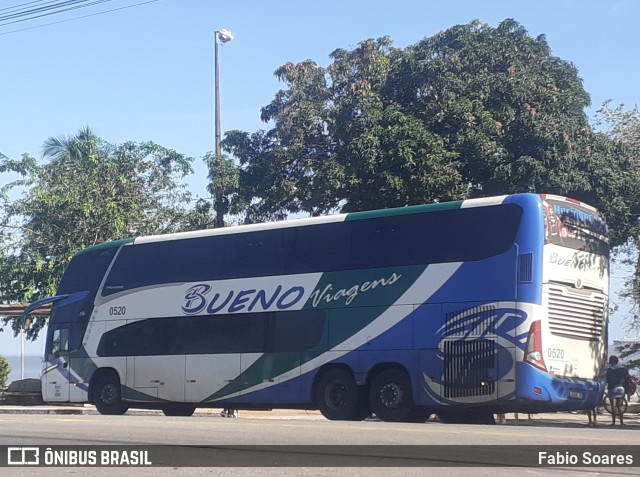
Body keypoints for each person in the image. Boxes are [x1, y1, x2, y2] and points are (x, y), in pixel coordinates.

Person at [605, 355, 629, 426]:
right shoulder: (623, 369)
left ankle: (613, 422)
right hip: (620, 388)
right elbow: (626, 378)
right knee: (620, 406)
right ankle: (621, 422)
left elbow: (607, 380)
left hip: (612, 388)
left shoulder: (609, 370)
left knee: (613, 406)